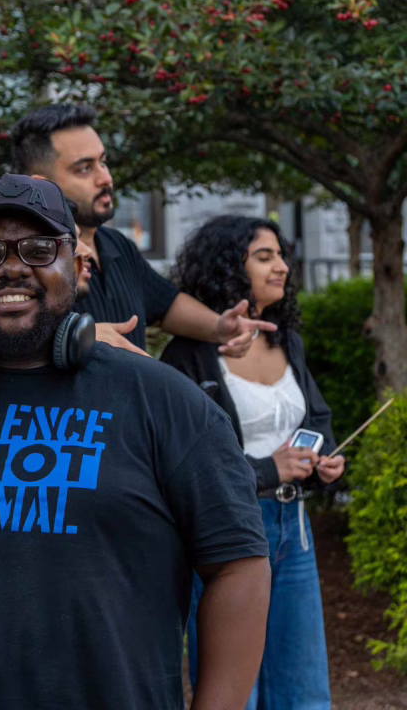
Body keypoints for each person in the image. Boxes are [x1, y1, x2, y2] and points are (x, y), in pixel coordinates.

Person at [0, 173, 271, 710]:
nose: (12, 266)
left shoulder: (167, 404)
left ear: (78, 266)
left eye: (40, 249)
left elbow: (238, 563)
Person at [160, 215, 346, 709]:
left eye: (282, 255)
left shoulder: (287, 341)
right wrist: (270, 470)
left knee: (304, 688)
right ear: (227, 268)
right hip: (229, 535)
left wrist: (322, 461)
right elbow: (184, 462)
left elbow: (318, 418)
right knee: (234, 691)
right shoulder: (189, 356)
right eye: (265, 257)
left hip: (295, 528)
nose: (282, 266)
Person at [11, 103, 274, 356]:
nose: (106, 178)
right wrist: (75, 336)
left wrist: (220, 328)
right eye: (84, 169)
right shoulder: (18, 259)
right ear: (41, 186)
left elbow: (166, 304)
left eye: (103, 162)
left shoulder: (117, 245)